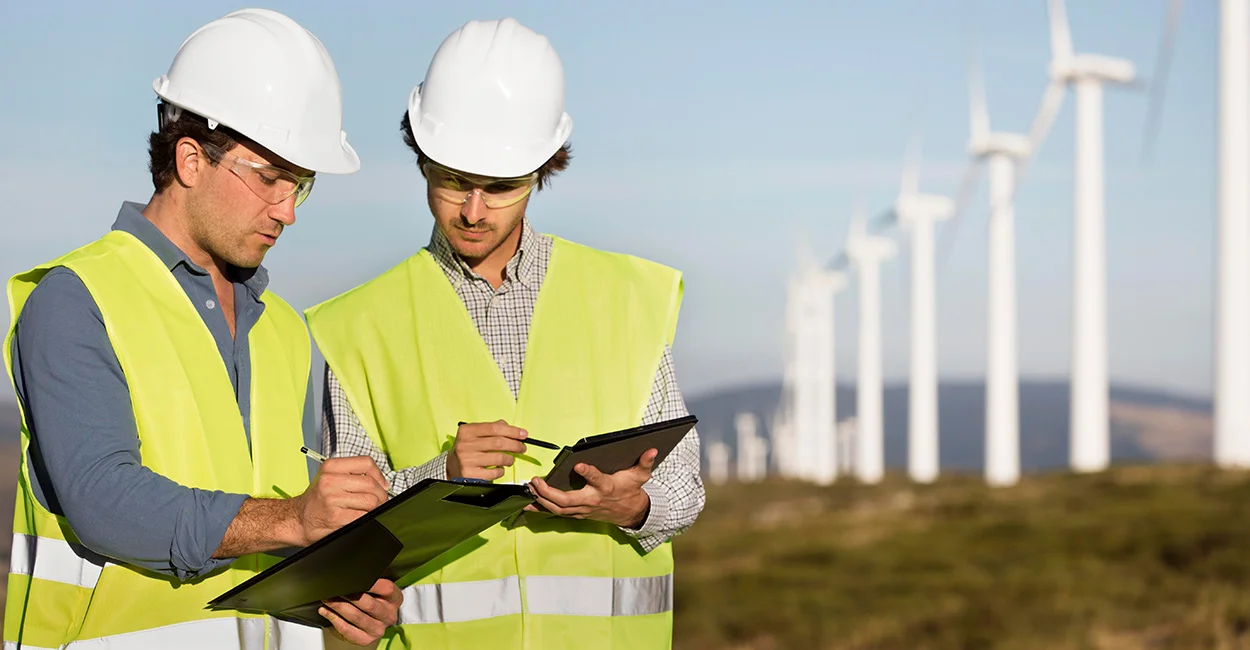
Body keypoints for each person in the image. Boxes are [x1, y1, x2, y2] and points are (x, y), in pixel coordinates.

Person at [3, 9, 400, 649]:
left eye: (301, 186)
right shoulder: (77, 299)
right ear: (190, 159)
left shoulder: (289, 334)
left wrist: (345, 606)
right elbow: (103, 500)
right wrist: (295, 519)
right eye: (270, 179)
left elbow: (290, 542)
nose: (287, 212)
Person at [305, 17, 705, 648]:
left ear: (544, 168)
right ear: (420, 157)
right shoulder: (358, 326)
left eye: (500, 188)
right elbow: (341, 527)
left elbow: (685, 489)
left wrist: (628, 507)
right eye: (453, 181)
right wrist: (443, 476)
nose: (472, 210)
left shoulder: (627, 299)